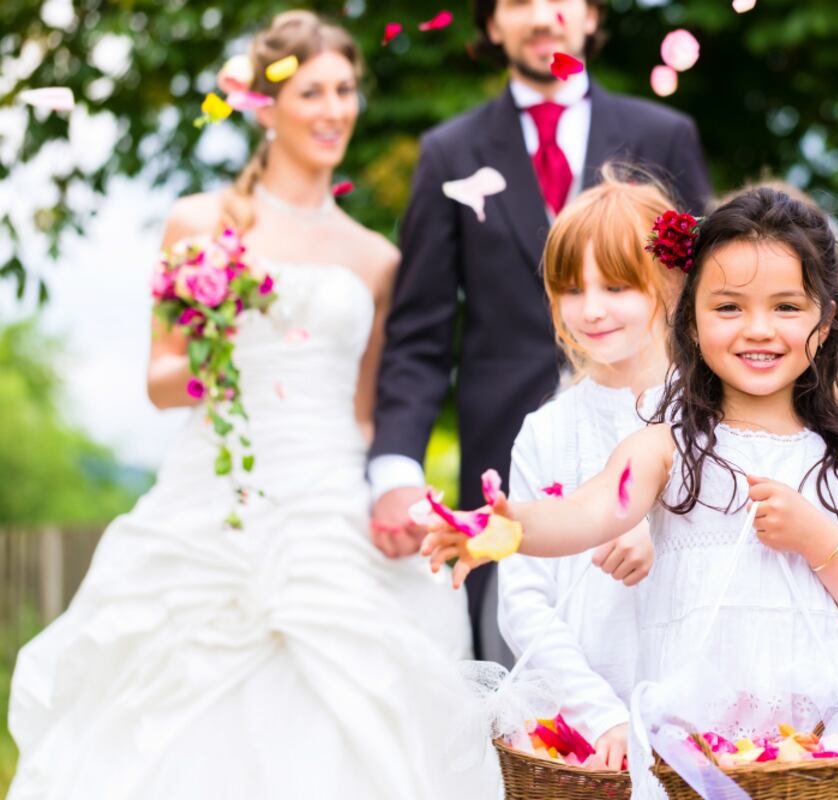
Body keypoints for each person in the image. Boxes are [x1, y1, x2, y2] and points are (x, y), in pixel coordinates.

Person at [7, 12, 494, 799]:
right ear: (267, 105)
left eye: (345, 90)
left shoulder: (378, 257)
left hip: (331, 494)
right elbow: (159, 380)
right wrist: (215, 354)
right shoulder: (198, 226)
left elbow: (370, 415)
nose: (336, 109)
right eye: (313, 91)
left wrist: (398, 496)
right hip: (215, 490)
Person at [425, 185, 838, 796]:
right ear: (689, 318)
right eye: (729, 307)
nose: (758, 329)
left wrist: (819, 540)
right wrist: (502, 528)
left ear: (825, 321)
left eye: (787, 307)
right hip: (695, 769)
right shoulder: (664, 450)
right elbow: (587, 513)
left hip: (826, 767)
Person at [368, 0, 711, 663]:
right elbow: (419, 331)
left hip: (655, 449)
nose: (541, 16)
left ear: (590, 15)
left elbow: (702, 302)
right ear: (492, 25)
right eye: (517, 1)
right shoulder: (448, 152)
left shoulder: (664, 135)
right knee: (515, 651)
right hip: (508, 450)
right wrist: (394, 468)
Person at [498, 165, 683, 771]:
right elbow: (523, 599)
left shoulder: (710, 416)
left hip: (694, 711)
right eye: (573, 289)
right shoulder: (545, 432)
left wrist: (650, 522)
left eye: (617, 287)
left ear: (665, 282)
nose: (592, 309)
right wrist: (597, 712)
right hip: (585, 732)